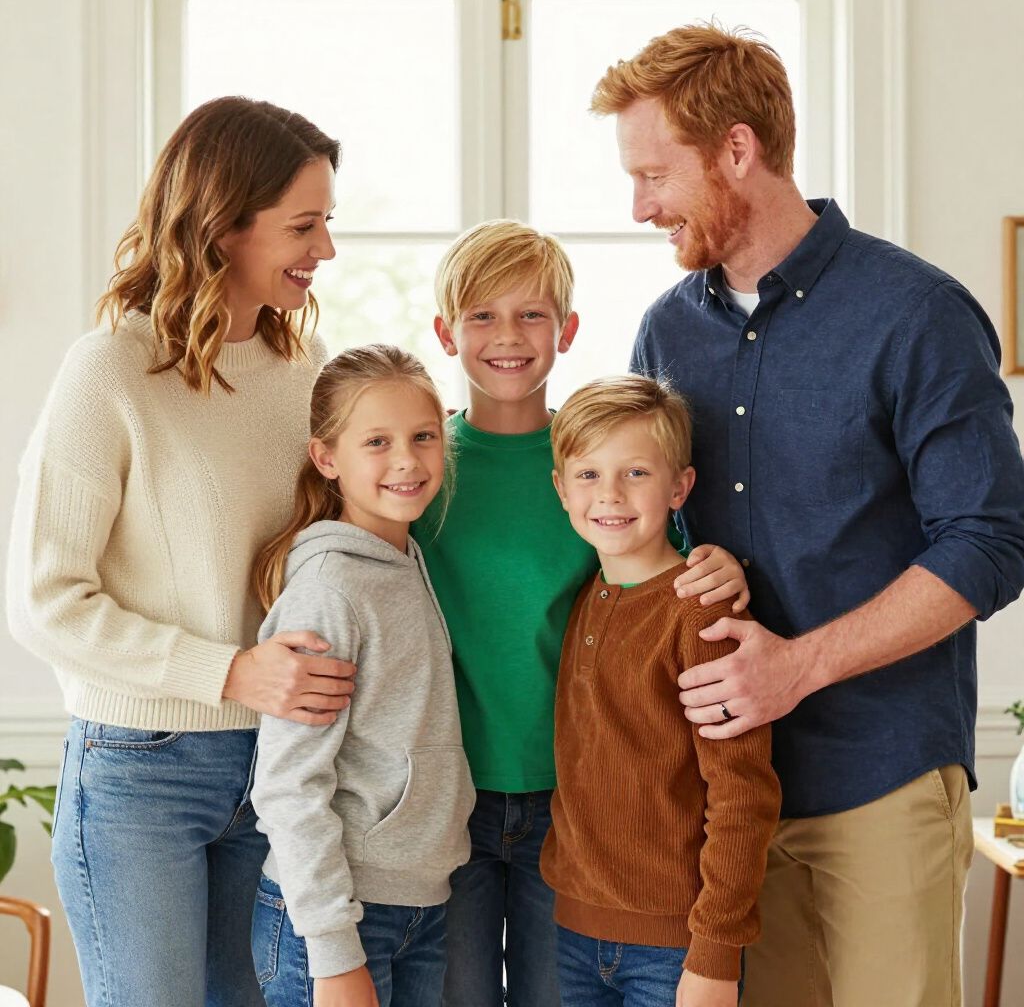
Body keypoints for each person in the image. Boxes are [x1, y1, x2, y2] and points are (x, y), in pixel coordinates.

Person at [592, 24, 1024, 1006]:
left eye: (655, 173)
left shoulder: (914, 314)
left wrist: (798, 665)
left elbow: (990, 541)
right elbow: (653, 525)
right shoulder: (665, 329)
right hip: (723, 799)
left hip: (882, 776)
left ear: (736, 151)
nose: (639, 206)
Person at [5, 97, 357, 1006]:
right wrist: (230, 670)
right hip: (139, 773)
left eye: (327, 223)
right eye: (303, 226)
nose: (324, 251)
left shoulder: (304, 367)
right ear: (221, 224)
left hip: (277, 768)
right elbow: (45, 600)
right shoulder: (111, 368)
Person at [416, 219, 750, 1006]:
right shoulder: (421, 466)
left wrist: (722, 563)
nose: (508, 336)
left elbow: (665, 563)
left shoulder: (599, 463)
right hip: (448, 796)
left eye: (532, 314)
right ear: (444, 331)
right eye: (481, 315)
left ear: (567, 331)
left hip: (575, 811)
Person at [541, 374, 780, 1007]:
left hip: (676, 947)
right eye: (588, 475)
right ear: (561, 487)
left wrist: (715, 953)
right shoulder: (584, 598)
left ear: (680, 487)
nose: (610, 495)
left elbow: (741, 793)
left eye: (636, 474)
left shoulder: (704, 615)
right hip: (571, 929)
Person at [249, 344, 476, 1007]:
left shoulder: (406, 557)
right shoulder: (331, 589)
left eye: (424, 436)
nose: (407, 460)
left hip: (417, 905)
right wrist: (332, 951)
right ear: (327, 459)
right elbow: (289, 785)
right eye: (377, 441)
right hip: (337, 916)